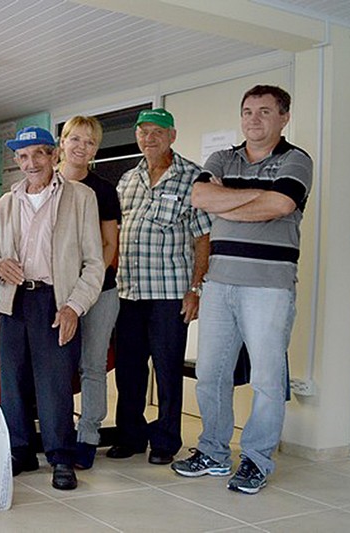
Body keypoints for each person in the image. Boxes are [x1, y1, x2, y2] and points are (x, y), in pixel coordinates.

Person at [172, 86, 312, 494]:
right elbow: (200, 196)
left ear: (284, 117)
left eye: (264, 112)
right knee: (211, 374)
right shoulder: (221, 158)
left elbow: (283, 206)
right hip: (218, 284)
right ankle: (213, 453)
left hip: (269, 288)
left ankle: (256, 460)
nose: (254, 119)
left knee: (268, 379)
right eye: (248, 111)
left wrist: (227, 201)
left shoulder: (296, 159)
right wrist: (259, 197)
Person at [0, 126, 104, 491]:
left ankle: (61, 457)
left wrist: (73, 307)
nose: (30, 163)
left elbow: (95, 264)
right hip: (14, 298)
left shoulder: (81, 197)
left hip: (56, 300)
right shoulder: (5, 203)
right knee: (13, 381)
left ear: (54, 156)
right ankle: (20, 450)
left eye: (38, 154)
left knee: (54, 385)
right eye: (23, 156)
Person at [108, 108, 212, 466]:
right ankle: (131, 436)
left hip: (170, 293)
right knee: (129, 369)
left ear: (172, 136)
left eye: (156, 132)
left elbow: (203, 238)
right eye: (142, 132)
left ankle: (166, 440)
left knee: (167, 369)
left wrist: (196, 288)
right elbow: (117, 233)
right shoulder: (127, 180)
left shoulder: (194, 178)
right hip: (129, 291)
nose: (148, 138)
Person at [57, 116, 122, 470]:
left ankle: (88, 435)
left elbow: (110, 243)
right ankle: (60, 433)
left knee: (92, 365)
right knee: (58, 366)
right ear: (63, 143)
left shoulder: (103, 190)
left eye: (90, 142)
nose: (82, 147)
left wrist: (90, 285)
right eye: (76, 140)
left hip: (99, 291)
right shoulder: (47, 185)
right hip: (55, 292)